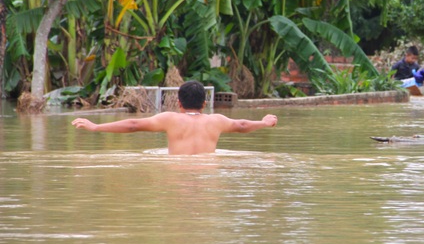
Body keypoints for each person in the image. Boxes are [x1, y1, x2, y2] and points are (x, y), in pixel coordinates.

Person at [71, 80, 278, 155]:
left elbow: (133, 124)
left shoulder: (170, 119)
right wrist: (264, 122)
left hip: (178, 172)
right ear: (204, 104)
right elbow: (242, 125)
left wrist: (95, 127)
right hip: (209, 173)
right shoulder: (216, 120)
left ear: (179, 103)